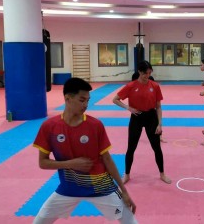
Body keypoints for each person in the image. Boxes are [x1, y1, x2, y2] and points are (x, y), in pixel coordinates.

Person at [33, 77, 137, 224]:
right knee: (39, 222)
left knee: (130, 221)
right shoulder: (49, 127)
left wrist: (124, 191)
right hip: (68, 189)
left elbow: (107, 159)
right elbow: (42, 163)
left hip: (102, 188)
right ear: (68, 99)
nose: (86, 105)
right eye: (82, 100)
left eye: (88, 100)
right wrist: (71, 164)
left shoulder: (95, 125)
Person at [113, 61, 171, 184]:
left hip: (151, 117)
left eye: (150, 73)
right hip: (136, 117)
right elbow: (115, 99)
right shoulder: (131, 86)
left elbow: (158, 106)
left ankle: (162, 174)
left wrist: (160, 124)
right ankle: (127, 175)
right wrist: (128, 108)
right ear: (139, 72)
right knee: (131, 148)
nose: (147, 75)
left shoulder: (155, 86)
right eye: (145, 73)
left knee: (157, 148)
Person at [131, 71, 166, 143]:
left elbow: (158, 106)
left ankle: (160, 136)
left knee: (156, 121)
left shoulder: (152, 82)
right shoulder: (136, 82)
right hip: (139, 110)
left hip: (151, 108)